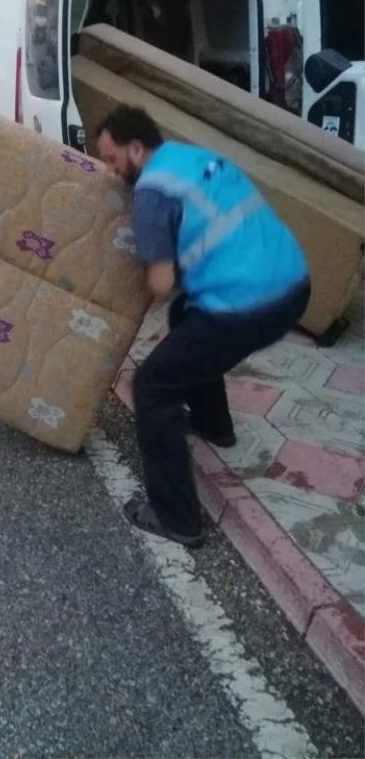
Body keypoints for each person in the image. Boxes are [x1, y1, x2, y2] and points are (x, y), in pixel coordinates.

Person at [96, 105, 310, 547]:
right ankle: (215, 425)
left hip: (247, 305)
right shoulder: (190, 157)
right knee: (185, 318)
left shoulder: (151, 191)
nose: (112, 172)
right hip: (293, 285)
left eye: (113, 160)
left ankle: (176, 518)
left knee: (152, 386)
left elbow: (160, 284)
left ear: (135, 148)